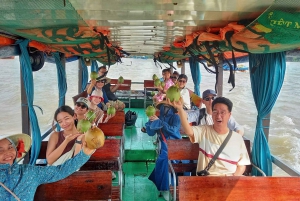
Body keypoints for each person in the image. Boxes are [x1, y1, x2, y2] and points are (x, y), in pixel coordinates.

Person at [0, 133, 95, 201]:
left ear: (16, 150)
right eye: (0, 150)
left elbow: (60, 171)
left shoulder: (29, 172)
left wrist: (84, 154)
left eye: (10, 147)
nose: (7, 153)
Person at [170, 97, 251, 176]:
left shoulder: (237, 138)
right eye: (215, 112)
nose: (218, 116)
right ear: (212, 114)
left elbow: (242, 165)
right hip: (208, 180)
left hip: (229, 180)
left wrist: (232, 180)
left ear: (229, 115)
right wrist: (180, 109)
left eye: (222, 112)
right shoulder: (204, 131)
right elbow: (189, 131)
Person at [145, 100, 181, 200]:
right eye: (164, 106)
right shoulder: (158, 117)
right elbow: (151, 133)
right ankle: (164, 188)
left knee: (191, 160)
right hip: (165, 146)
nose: (165, 109)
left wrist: (160, 122)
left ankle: (180, 185)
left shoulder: (176, 117)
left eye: (168, 107)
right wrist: (149, 123)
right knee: (164, 159)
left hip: (177, 145)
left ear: (172, 108)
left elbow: (173, 130)